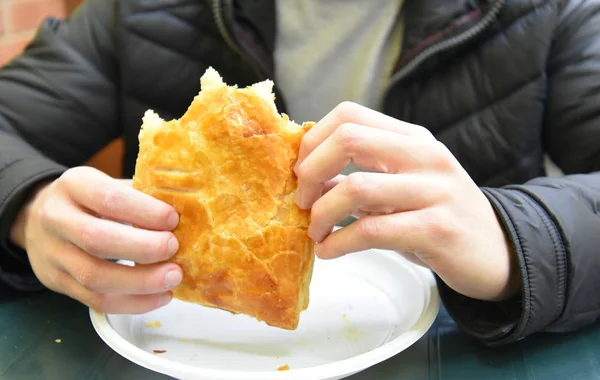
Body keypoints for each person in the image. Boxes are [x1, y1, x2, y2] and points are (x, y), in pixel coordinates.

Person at [0, 0, 599, 347]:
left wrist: (516, 238)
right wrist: (25, 205)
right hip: (169, 352)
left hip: (463, 359)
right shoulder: (136, 11)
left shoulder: (555, 12)